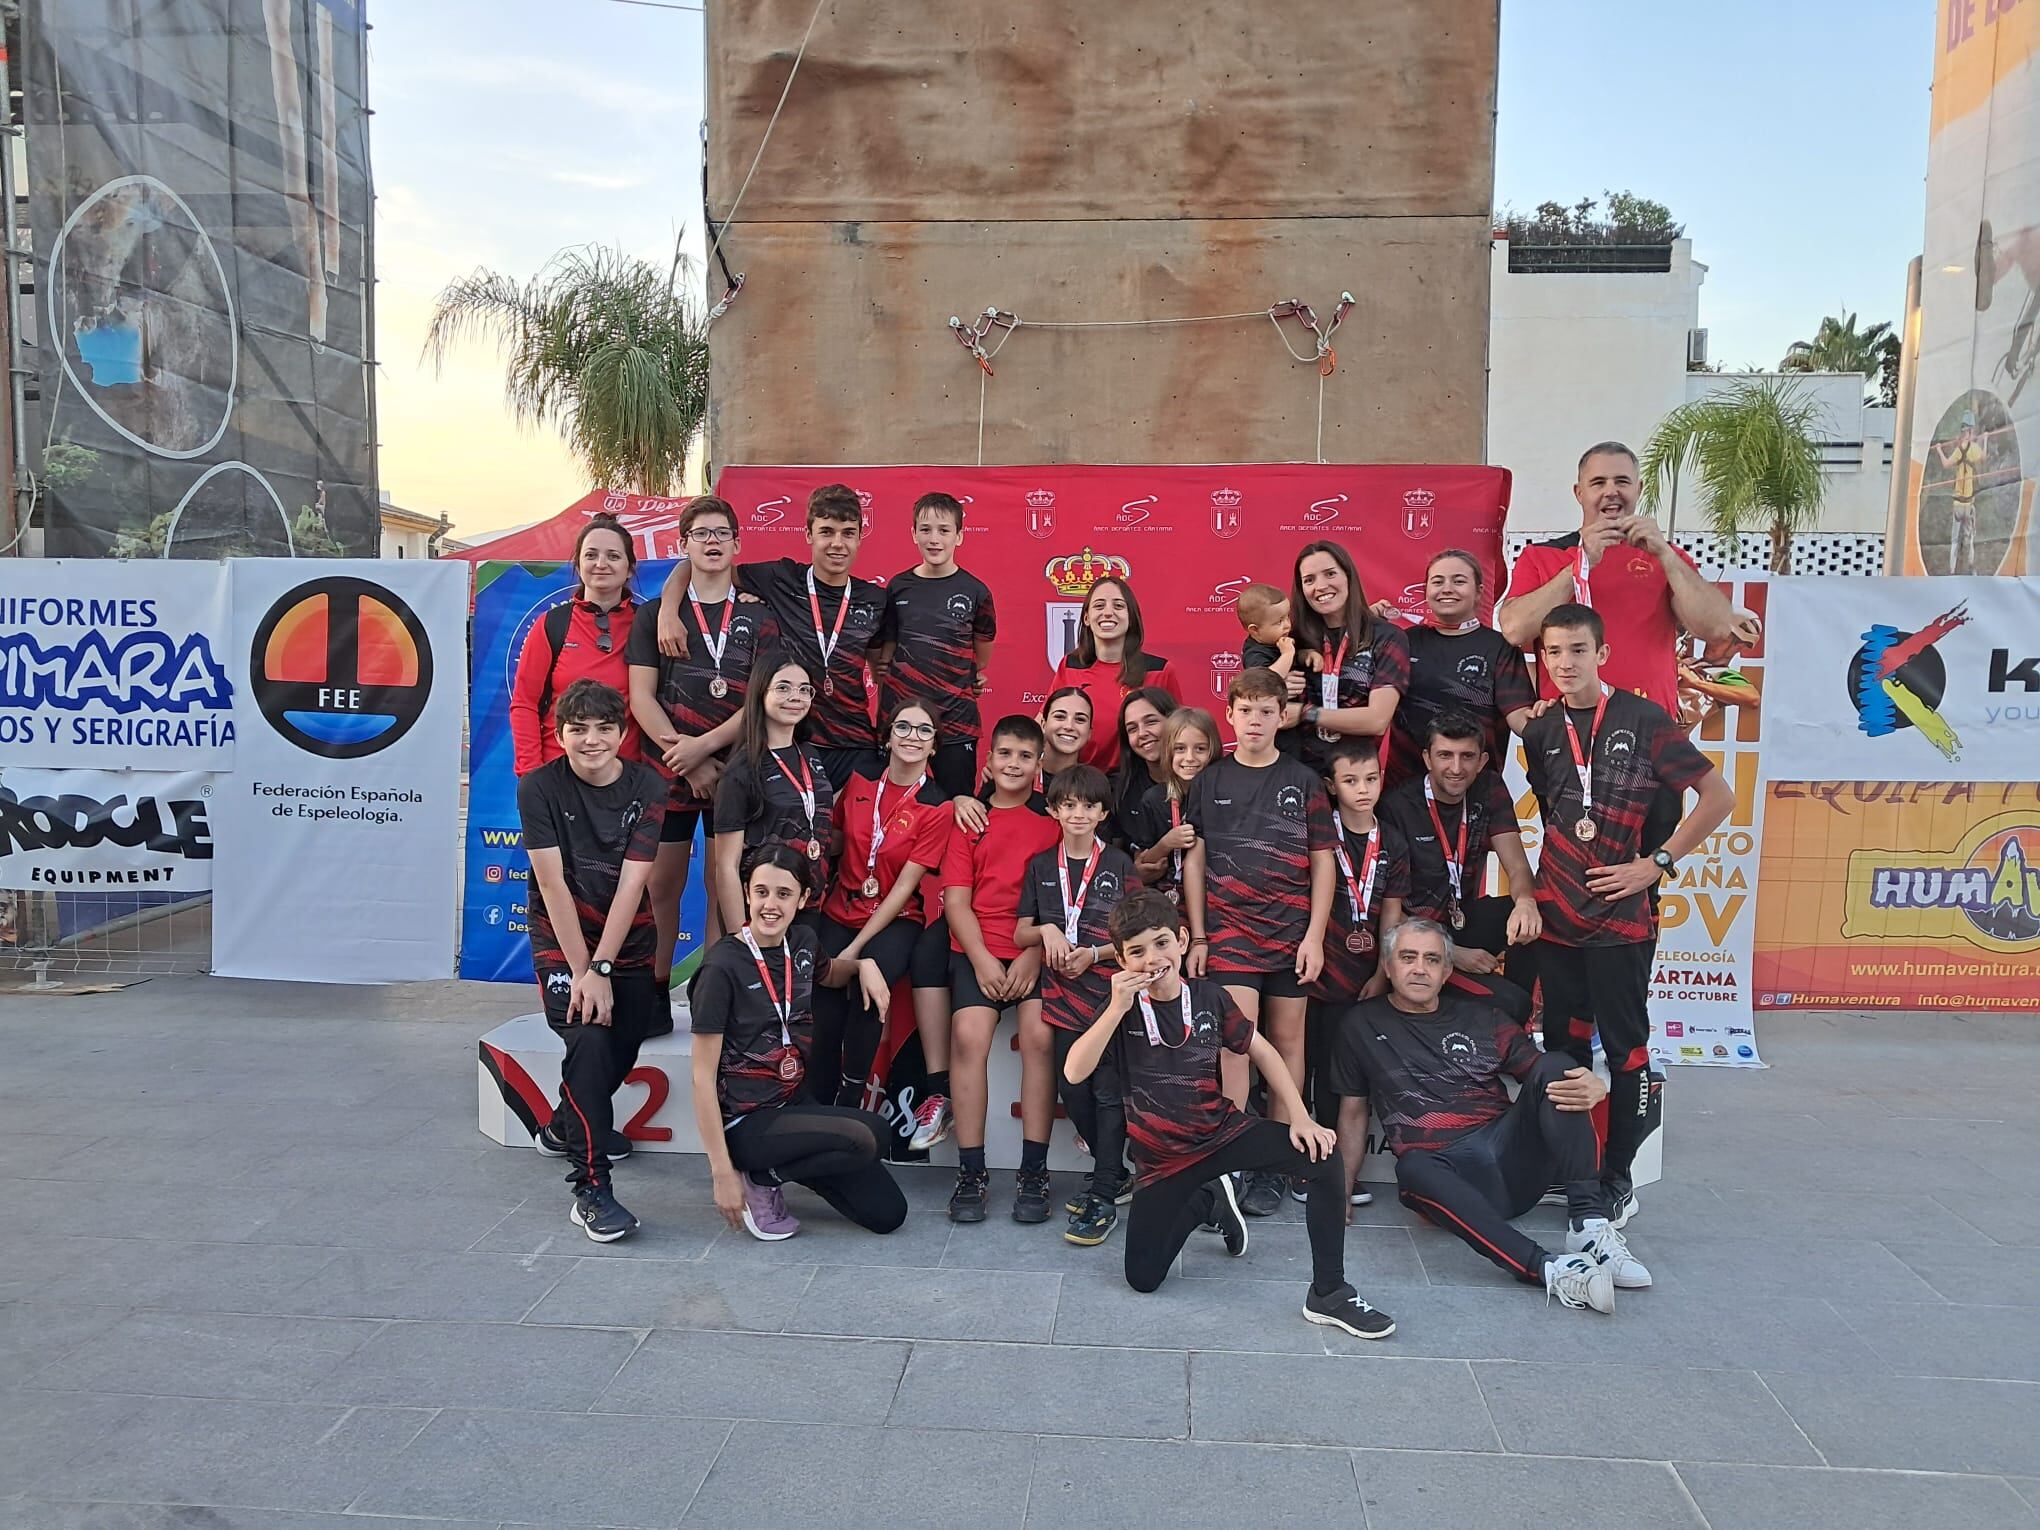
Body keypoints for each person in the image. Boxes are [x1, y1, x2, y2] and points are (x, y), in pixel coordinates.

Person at [1062, 889, 1396, 1339]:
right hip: (1162, 1161)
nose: (1152, 958)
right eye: (1136, 952)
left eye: (1161, 943)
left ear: (1182, 941)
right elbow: (1074, 1070)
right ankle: (1209, 1200)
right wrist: (1116, 1007)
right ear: (1121, 960)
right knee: (1142, 1279)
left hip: (1220, 1132)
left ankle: (1329, 1292)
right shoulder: (1120, 1008)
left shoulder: (1210, 997)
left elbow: (1264, 1052)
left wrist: (1300, 1116)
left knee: (1322, 1157)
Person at [1524, 604, 1735, 1225]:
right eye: (1554, 652)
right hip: (1558, 915)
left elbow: (1718, 797)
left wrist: (1657, 863)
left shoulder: (1646, 720)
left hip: (1622, 919)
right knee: (1563, 1048)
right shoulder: (1539, 733)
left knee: (1626, 1049)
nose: (1565, 663)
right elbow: (1561, 815)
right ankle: (1571, 1167)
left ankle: (1617, 1176)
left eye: (1578, 651)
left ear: (1603, 655)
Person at [1325, 918, 1628, 1313]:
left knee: (1556, 1066)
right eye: (1408, 957)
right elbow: (1352, 1113)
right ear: (1387, 966)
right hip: (1445, 1173)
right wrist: (1341, 1190)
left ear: (1448, 970)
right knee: (1413, 1168)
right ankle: (1549, 1268)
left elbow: (1542, 1073)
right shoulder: (1360, 1025)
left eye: (1432, 959)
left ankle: (1588, 1222)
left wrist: (1594, 1083)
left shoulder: (1483, 1018)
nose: (1420, 968)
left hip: (1511, 1156)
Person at [687, 844, 908, 1242]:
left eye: (784, 894)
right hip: (746, 1121)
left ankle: (771, 1175)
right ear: (746, 893)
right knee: (873, 1133)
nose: (771, 905)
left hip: (793, 1105)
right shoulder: (721, 967)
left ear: (803, 898)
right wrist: (721, 1171)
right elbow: (702, 1079)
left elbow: (832, 974)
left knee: (888, 1213)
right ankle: (754, 1174)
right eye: (761, 892)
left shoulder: (802, 943)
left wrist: (864, 965)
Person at [1182, 667, 1335, 1217]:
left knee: (1289, 1044)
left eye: (1266, 711)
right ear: (1230, 714)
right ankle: (1234, 1159)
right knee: (1236, 1043)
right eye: (1245, 710)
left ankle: (1277, 1159)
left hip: (1292, 932)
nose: (1255, 720)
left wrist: (1315, 936)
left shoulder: (1304, 780)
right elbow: (1193, 860)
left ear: (1281, 717)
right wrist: (1199, 934)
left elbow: (1323, 863)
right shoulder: (1211, 780)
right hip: (1228, 933)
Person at [518, 678, 666, 1243]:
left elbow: (633, 886)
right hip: (562, 939)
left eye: (604, 728)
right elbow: (552, 884)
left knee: (623, 1044)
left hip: (627, 940)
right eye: (577, 730)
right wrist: (583, 973)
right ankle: (591, 1185)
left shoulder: (649, 786)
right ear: (560, 736)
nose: (591, 740)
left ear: (623, 734)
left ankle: (564, 1126)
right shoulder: (539, 788)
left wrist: (603, 969)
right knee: (589, 1038)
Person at [626, 495, 772, 999]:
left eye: (721, 534)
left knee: (721, 882)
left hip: (735, 769)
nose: (712, 542)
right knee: (660, 885)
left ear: (738, 543)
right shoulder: (656, 616)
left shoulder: (760, 616)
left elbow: (761, 700)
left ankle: (711, 987)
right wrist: (683, 757)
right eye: (701, 534)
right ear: (683, 543)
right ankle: (654, 985)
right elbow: (641, 696)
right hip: (667, 770)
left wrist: (706, 750)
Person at [660, 483, 887, 791]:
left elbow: (881, 670)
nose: (837, 543)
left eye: (848, 533)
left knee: (854, 838)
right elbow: (696, 563)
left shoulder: (874, 598)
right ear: (808, 535)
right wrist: (668, 611)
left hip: (855, 744)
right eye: (827, 532)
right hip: (793, 740)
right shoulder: (780, 578)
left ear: (860, 537)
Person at [1496, 442, 1743, 718]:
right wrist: (1580, 564)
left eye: (1622, 481)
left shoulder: (1667, 557)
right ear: (1579, 493)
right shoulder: (1542, 556)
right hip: (1567, 728)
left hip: (1649, 726)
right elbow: (1515, 630)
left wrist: (1665, 554)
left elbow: (1717, 627)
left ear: (1639, 489)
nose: (1610, 491)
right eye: (1598, 483)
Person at [942, 715, 1062, 1223]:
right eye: (1004, 753)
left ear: (1040, 766)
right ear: (988, 762)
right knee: (969, 1034)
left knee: (1038, 1037)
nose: (1013, 763)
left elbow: (1060, 905)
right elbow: (956, 903)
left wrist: (1033, 955)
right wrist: (984, 961)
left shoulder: (1053, 825)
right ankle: (971, 1171)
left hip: (1034, 950)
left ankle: (1033, 1171)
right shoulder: (969, 820)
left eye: (1024, 756)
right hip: (978, 951)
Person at [807, 698, 955, 1109]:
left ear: (934, 746)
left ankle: (851, 1099)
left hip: (896, 918)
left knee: (871, 992)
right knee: (824, 1003)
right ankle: (817, 1103)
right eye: (903, 727)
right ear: (888, 738)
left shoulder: (937, 806)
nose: (913, 737)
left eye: (924, 731)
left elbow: (903, 889)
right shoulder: (858, 780)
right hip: (840, 907)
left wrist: (854, 952)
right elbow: (834, 840)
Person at [1014, 765, 1138, 1245]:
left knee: (1108, 1093)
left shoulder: (1121, 865)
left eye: (1089, 806)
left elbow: (1135, 936)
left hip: (1108, 999)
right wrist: (1046, 930)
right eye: (1069, 806)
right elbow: (1020, 930)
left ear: (1103, 812)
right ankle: (1117, 1174)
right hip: (1062, 997)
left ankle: (1104, 1195)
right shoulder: (1042, 865)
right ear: (1054, 810)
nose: (1079, 814)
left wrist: (1096, 954)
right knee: (1074, 1089)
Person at [1377, 711, 1542, 1021]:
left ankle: (1495, 1004)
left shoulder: (1489, 788)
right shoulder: (1397, 806)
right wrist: (1451, 952)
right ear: (1427, 758)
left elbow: (1518, 867)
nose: (1456, 768)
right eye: (1445, 755)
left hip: (1461, 922)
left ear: (1481, 761)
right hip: (1413, 935)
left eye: (1466, 756)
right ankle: (1483, 1008)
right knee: (1512, 1005)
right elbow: (1386, 909)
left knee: (1536, 911)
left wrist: (1525, 901)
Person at [1306, 736, 1409, 1208]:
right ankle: (1303, 1168)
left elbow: (1391, 912)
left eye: (1371, 779)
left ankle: (1335, 1170)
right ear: (1332, 785)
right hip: (1313, 971)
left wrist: (1384, 972)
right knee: (1305, 1066)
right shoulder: (1318, 833)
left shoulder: (1392, 840)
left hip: (1364, 977)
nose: (1362, 790)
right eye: (1350, 781)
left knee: (1342, 1077)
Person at [874, 491, 998, 796]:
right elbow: (885, 653)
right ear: (913, 533)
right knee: (889, 805)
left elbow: (980, 658)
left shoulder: (976, 591)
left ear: (959, 537)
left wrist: (966, 677)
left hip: (956, 723)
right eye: (925, 530)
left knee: (956, 806)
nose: (934, 539)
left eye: (944, 530)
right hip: (899, 721)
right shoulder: (897, 587)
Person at [1384, 549, 1535, 789]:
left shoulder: (1500, 648)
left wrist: (1563, 723)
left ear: (1479, 593)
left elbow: (1521, 719)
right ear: (1426, 591)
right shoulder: (1402, 643)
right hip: (1406, 791)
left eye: (1459, 581)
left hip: (1476, 790)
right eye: (1437, 581)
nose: (1447, 588)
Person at [710, 652, 837, 935]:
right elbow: (726, 866)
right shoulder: (741, 771)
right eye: (783, 687)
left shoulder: (811, 755)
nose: (796, 696)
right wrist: (738, 938)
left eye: (805, 690)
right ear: (760, 692)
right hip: (761, 912)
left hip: (808, 904)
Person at [510, 514, 645, 775]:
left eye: (614, 556)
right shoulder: (551, 624)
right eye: (591, 555)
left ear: (630, 568)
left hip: (626, 781)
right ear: (578, 563)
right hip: (558, 777)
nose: (601, 564)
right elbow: (524, 704)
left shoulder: (649, 624)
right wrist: (531, 776)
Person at [1289, 540, 1408, 772]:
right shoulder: (1291, 641)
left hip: (1356, 777)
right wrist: (1277, 684)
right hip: (1298, 774)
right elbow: (1258, 701)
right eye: (1309, 580)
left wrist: (1307, 713)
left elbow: (1377, 720)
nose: (1320, 586)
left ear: (1348, 577)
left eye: (1330, 574)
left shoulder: (1387, 637)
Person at [1050, 576, 1184, 773]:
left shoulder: (1160, 671)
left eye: (1119, 606)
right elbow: (1045, 724)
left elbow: (1179, 734)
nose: (1108, 612)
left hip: (1139, 784)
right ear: (1086, 618)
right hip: (1082, 784)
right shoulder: (1070, 666)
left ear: (1131, 618)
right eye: (1099, 605)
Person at [1126, 705, 1218, 901]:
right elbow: (1145, 863)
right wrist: (1166, 843)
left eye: (1200, 749)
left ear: (1214, 750)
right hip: (1168, 895)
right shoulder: (1153, 799)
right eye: (1180, 749)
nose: (1189, 758)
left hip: (1217, 892)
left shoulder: (1224, 796)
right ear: (1167, 751)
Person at [1111, 685, 1178, 845]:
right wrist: (1136, 867)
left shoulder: (1206, 781)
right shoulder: (1122, 788)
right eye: (1132, 729)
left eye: (1151, 722)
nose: (1142, 733)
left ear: (1174, 721)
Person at [1234, 581, 1317, 687]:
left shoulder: (1280, 639)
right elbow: (1267, 681)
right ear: (1255, 630)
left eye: (1287, 616)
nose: (1287, 625)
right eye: (1279, 622)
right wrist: (1287, 654)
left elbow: (1295, 656)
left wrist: (1307, 655)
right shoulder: (1254, 654)